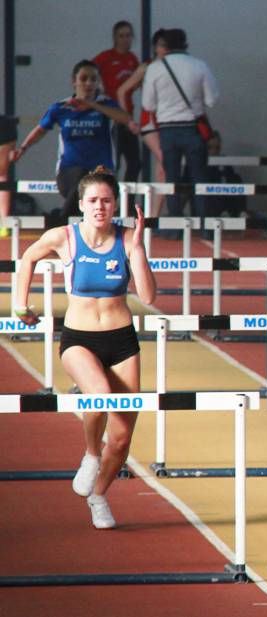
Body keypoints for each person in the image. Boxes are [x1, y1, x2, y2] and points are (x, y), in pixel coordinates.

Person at [15, 166, 156, 529]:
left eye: (106, 201)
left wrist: (138, 250)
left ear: (115, 205)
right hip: (79, 339)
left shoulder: (127, 239)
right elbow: (27, 258)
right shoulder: (64, 238)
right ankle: (91, 454)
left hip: (122, 341)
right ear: (81, 204)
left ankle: (99, 496)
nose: (100, 207)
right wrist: (20, 304)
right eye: (93, 200)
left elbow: (150, 296)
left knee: (123, 437)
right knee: (100, 395)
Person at [11, 60, 131, 222]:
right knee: (82, 177)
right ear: (74, 81)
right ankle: (62, 220)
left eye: (93, 79)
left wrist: (92, 105)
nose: (88, 83)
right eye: (84, 78)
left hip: (102, 171)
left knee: (91, 190)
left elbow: (125, 119)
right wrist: (23, 148)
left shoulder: (106, 105)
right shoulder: (61, 108)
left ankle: (60, 220)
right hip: (69, 174)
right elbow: (40, 130)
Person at [141, 28, 219, 232]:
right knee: (199, 178)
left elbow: (148, 104)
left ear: (164, 46)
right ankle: (205, 226)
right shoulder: (199, 66)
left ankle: (174, 227)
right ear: (185, 44)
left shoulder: (155, 68)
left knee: (171, 179)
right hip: (193, 128)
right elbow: (212, 100)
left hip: (167, 130)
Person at [117, 28, 169, 215]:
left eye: (168, 45)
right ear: (155, 47)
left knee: (162, 170)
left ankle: (153, 216)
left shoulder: (176, 66)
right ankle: (150, 215)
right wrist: (129, 120)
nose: (165, 49)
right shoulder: (148, 66)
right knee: (165, 160)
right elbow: (123, 91)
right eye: (162, 45)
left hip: (169, 123)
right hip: (150, 124)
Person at [93, 20, 141, 183]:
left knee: (135, 163)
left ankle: (128, 204)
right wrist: (99, 89)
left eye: (128, 35)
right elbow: (87, 70)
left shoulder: (132, 59)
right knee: (114, 163)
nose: (125, 39)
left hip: (127, 116)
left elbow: (138, 80)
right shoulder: (106, 57)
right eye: (121, 36)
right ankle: (111, 202)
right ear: (115, 37)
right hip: (111, 117)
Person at [0, 115, 17, 238]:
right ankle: (4, 224)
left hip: (5, 127)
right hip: (6, 126)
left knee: (2, 175)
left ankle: (4, 223)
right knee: (2, 176)